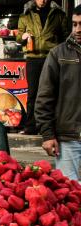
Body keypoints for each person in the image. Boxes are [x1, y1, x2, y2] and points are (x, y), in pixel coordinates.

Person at [35, 5, 81, 181]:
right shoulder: (58, 54)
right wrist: (47, 134)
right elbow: (44, 97)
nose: (78, 30)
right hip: (68, 137)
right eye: (74, 24)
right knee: (69, 194)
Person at [17, 0, 68, 135]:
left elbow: (65, 37)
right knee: (32, 93)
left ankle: (51, 127)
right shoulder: (25, 15)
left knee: (52, 92)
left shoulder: (59, 15)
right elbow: (17, 36)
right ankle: (31, 126)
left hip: (52, 57)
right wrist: (23, 36)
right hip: (32, 58)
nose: (43, 0)